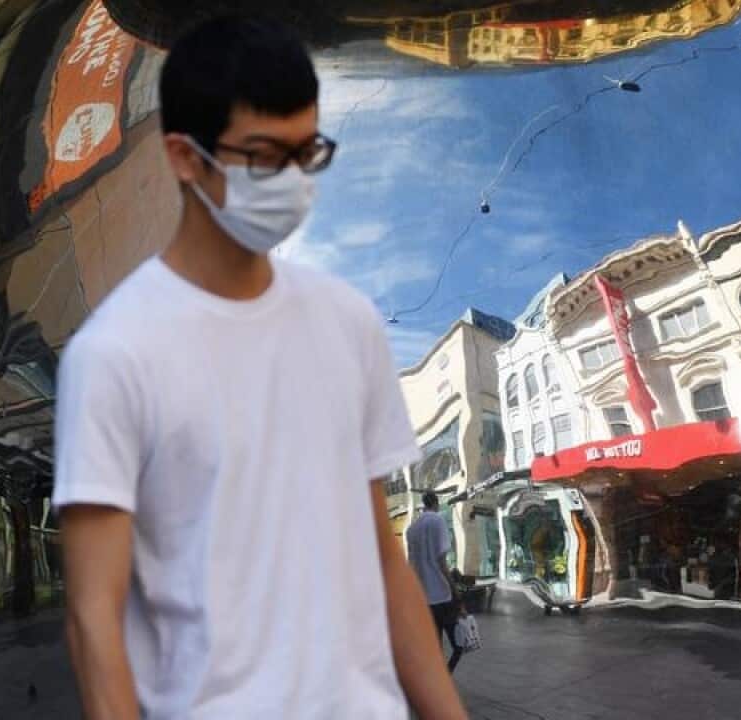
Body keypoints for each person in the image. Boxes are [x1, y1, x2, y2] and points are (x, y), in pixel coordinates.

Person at [53, 15, 466, 720]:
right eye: (265, 157)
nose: (293, 180)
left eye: (307, 153)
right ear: (184, 157)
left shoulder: (347, 323)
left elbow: (382, 560)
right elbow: (95, 618)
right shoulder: (115, 354)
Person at [407, 491, 464, 672]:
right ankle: (445, 678)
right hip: (442, 596)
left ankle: (438, 680)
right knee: (459, 645)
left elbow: (411, 566)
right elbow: (441, 562)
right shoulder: (437, 521)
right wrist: (456, 591)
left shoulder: (412, 528)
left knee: (435, 649)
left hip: (424, 599)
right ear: (436, 503)